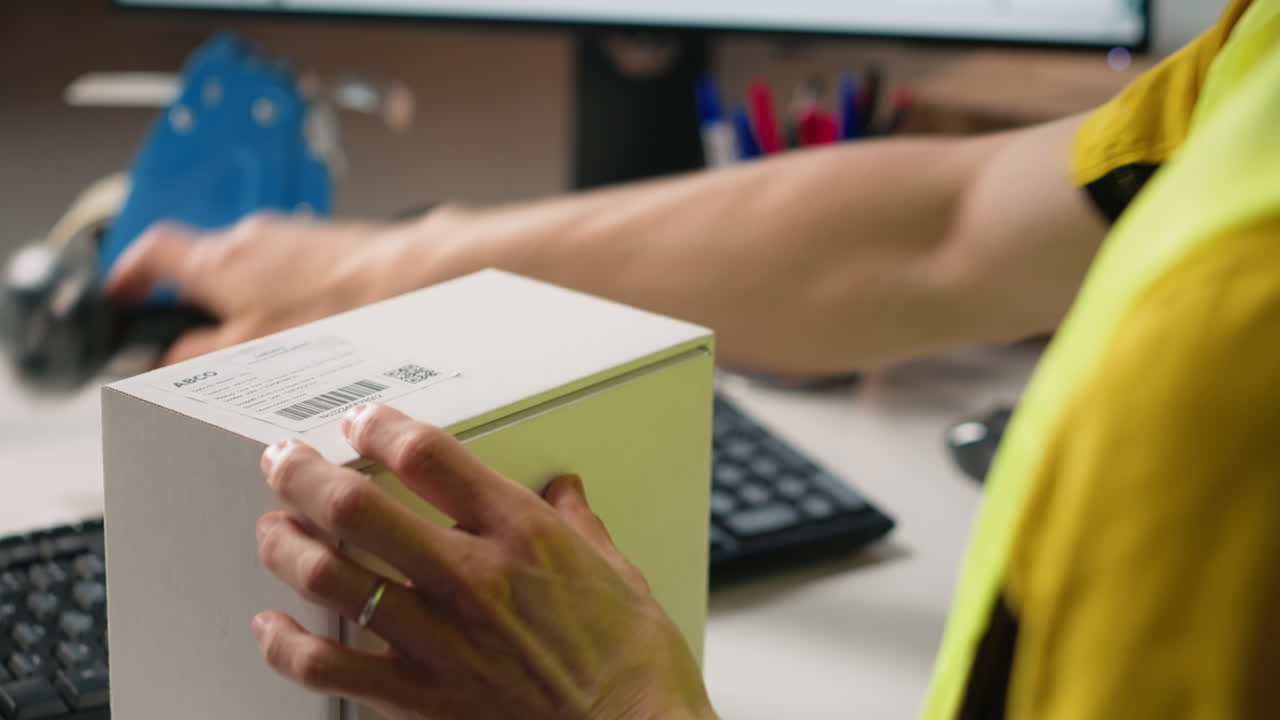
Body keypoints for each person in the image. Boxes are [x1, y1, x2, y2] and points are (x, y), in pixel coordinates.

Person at [106, 1, 1280, 717]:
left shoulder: (1237, 323)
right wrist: (372, 270)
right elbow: (952, 225)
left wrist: (615, 700)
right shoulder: (1256, 59)